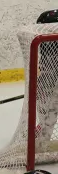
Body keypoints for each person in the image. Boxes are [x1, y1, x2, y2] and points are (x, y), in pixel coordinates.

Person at [34, 9, 58, 144]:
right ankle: (43, 130)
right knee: (48, 107)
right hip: (48, 80)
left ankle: (44, 132)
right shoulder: (46, 46)